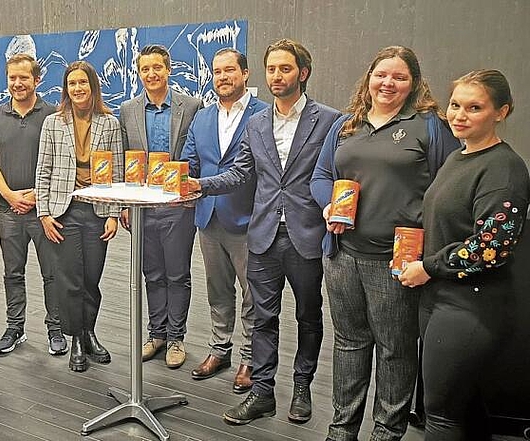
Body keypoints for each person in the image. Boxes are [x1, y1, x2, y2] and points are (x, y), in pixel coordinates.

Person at [310, 46, 461, 441]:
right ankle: (341, 429)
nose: (387, 83)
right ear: (369, 78)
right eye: (381, 75)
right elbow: (321, 176)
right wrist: (329, 206)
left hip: (396, 261)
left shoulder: (428, 125)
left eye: (399, 77)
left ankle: (387, 431)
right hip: (342, 255)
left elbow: (448, 187)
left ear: (413, 84)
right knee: (349, 343)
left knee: (395, 350)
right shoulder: (346, 125)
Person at [190, 39, 341, 424]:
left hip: (306, 233)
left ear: (302, 73)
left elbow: (337, 175)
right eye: (272, 68)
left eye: (285, 69)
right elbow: (242, 172)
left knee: (308, 315)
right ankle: (262, 392)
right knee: (262, 316)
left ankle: (302, 386)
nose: (277, 76)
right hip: (263, 234)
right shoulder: (256, 123)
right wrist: (201, 186)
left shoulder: (331, 121)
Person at [397, 70, 530, 440]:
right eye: (455, 105)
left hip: (471, 307)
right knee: (464, 406)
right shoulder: (460, 156)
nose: (460, 115)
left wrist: (428, 266)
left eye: (474, 107)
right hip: (440, 300)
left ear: (501, 112)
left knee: (441, 415)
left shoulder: (504, 169)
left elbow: (491, 248)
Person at [181, 48, 269, 391]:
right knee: (218, 291)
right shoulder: (202, 117)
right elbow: (190, 159)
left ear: (245, 74)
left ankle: (249, 358)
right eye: (217, 72)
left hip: (248, 218)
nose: (222, 77)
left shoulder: (264, 115)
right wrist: (169, 177)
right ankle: (220, 349)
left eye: (229, 70)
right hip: (208, 216)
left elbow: (255, 170)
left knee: (252, 294)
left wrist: (198, 184)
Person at [36, 60, 123, 372]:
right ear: (66, 89)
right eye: (72, 84)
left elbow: (117, 171)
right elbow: (42, 171)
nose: (77, 89)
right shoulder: (53, 123)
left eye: (82, 83)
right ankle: (75, 338)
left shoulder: (109, 123)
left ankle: (89, 334)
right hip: (65, 210)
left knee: (91, 279)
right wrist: (44, 213)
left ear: (92, 86)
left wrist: (114, 213)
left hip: (97, 210)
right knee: (71, 279)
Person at [119, 44, 202, 369]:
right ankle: (157, 335)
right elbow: (124, 157)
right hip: (142, 206)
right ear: (138, 73)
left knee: (177, 273)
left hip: (177, 205)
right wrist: (126, 204)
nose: (151, 74)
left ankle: (177, 338)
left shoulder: (191, 106)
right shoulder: (128, 109)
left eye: (157, 68)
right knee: (151, 273)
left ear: (168, 70)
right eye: (145, 69)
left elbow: (196, 152)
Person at [0, 54, 66, 356]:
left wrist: (37, 197)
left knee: (52, 273)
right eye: (12, 78)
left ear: (37, 80)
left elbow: (61, 162)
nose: (17, 84)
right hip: (9, 210)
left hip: (45, 211)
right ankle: (14, 327)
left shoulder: (54, 115)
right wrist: (9, 195)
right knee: (12, 273)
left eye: (23, 78)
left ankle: (56, 329)